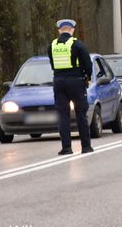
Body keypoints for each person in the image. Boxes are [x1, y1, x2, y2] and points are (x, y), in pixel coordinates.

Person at [48, 19, 93, 155]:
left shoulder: (52, 45)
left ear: (59, 30)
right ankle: (85, 147)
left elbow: (52, 64)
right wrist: (88, 76)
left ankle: (66, 148)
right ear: (72, 30)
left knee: (63, 115)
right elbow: (87, 64)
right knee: (81, 114)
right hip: (76, 82)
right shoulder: (78, 45)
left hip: (59, 82)